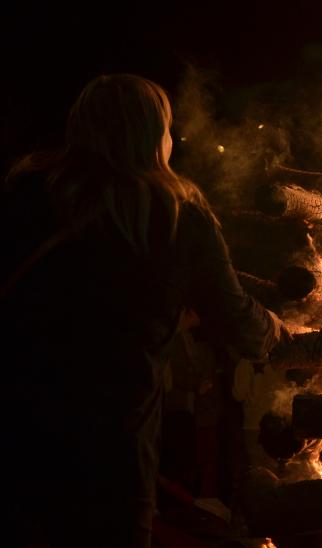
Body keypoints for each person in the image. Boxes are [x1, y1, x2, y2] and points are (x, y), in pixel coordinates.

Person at [0, 74, 286, 547]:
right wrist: (272, 329)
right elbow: (235, 318)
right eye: (169, 129)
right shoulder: (175, 214)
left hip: (16, 424)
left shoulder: (27, 195)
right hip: (112, 444)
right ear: (154, 135)